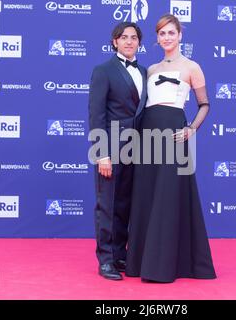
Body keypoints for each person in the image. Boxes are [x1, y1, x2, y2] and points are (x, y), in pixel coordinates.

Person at [125, 14, 217, 283]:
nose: (166, 37)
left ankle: (165, 265)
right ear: (157, 38)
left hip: (174, 135)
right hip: (147, 135)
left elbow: (205, 104)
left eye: (171, 33)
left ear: (180, 36)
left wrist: (191, 129)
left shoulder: (192, 67)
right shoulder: (150, 69)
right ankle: (141, 261)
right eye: (162, 33)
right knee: (146, 195)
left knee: (168, 196)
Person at [88, 22, 148, 280]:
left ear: (139, 43)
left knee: (125, 204)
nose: (129, 41)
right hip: (111, 147)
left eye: (134, 38)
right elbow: (96, 114)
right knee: (107, 204)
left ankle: (120, 254)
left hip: (139, 148)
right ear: (114, 42)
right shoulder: (103, 71)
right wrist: (102, 153)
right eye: (124, 37)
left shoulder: (145, 72)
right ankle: (106, 260)